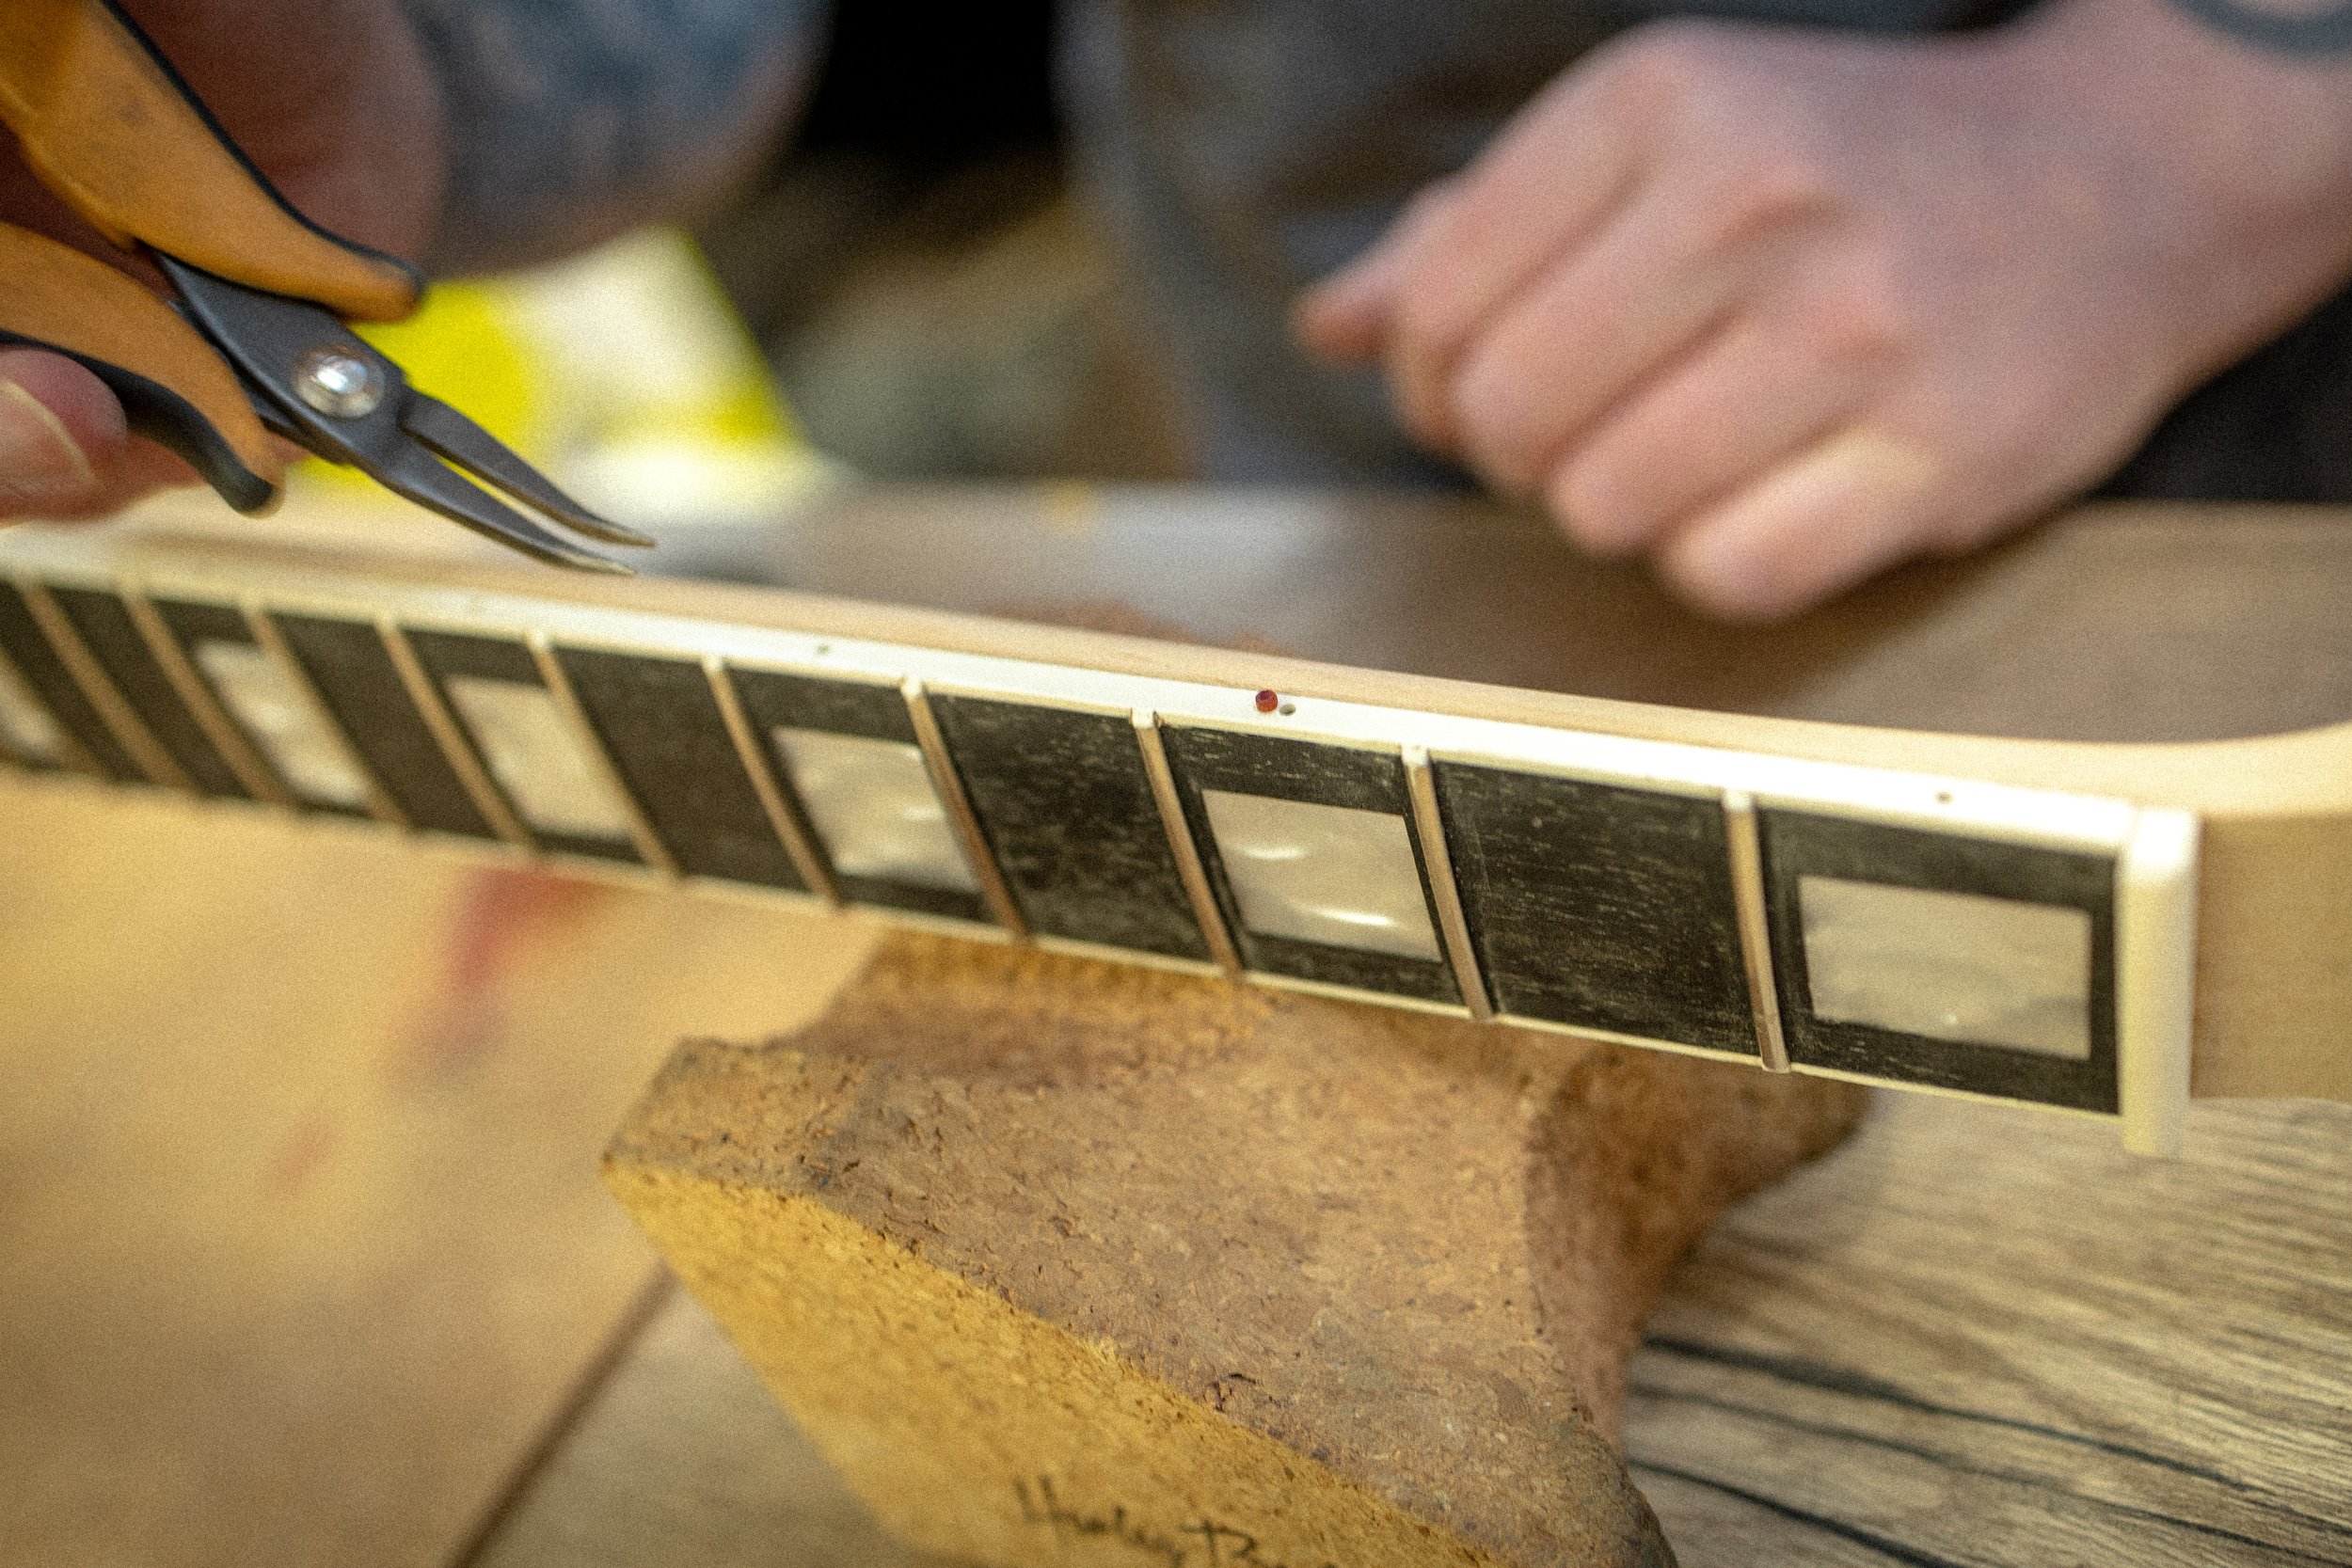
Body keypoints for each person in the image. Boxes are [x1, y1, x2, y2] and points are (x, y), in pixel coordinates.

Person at [5, 0, 2350, 620]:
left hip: (2204, 529)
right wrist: (392, 76)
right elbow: (702, 48)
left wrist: (2187, 128)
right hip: (1317, 456)